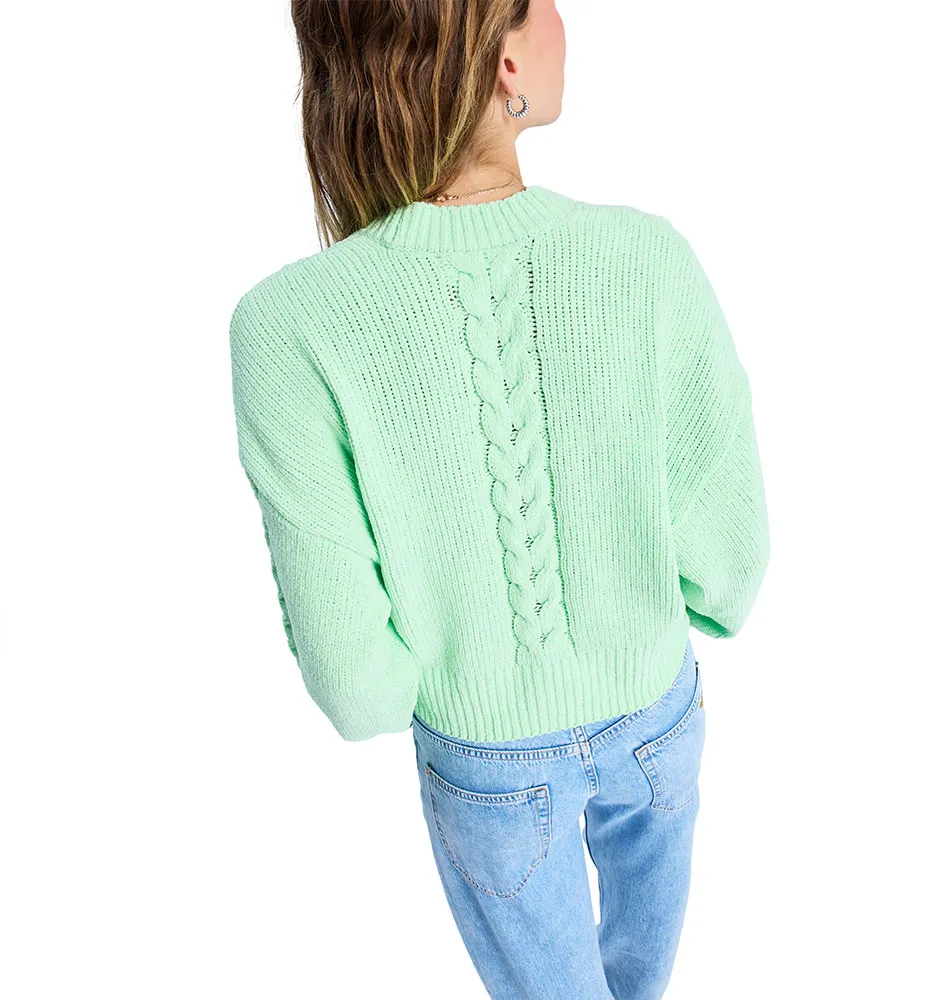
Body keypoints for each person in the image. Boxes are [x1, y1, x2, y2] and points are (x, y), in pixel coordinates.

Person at [228, 1, 770, 997]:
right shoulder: (645, 257)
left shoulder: (284, 327)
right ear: (506, 60)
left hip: (485, 763)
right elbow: (728, 565)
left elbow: (357, 684)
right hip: (657, 718)